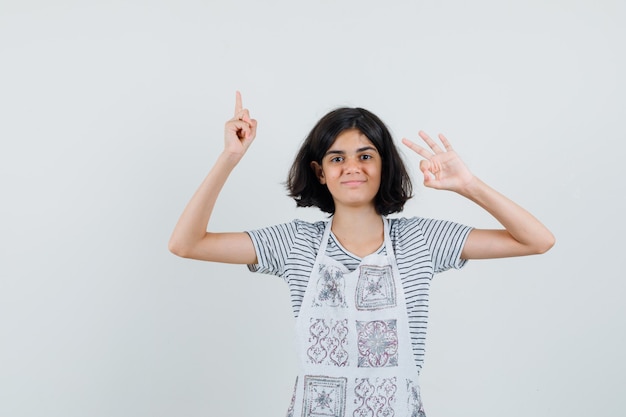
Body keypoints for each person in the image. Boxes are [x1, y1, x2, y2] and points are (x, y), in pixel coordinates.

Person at [168, 92, 555, 417]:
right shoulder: (295, 244)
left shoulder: (421, 240)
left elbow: (536, 240)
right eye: (337, 158)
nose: (352, 167)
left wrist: (469, 185)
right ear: (320, 173)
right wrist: (229, 157)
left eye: (365, 156)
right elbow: (187, 244)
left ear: (383, 165)